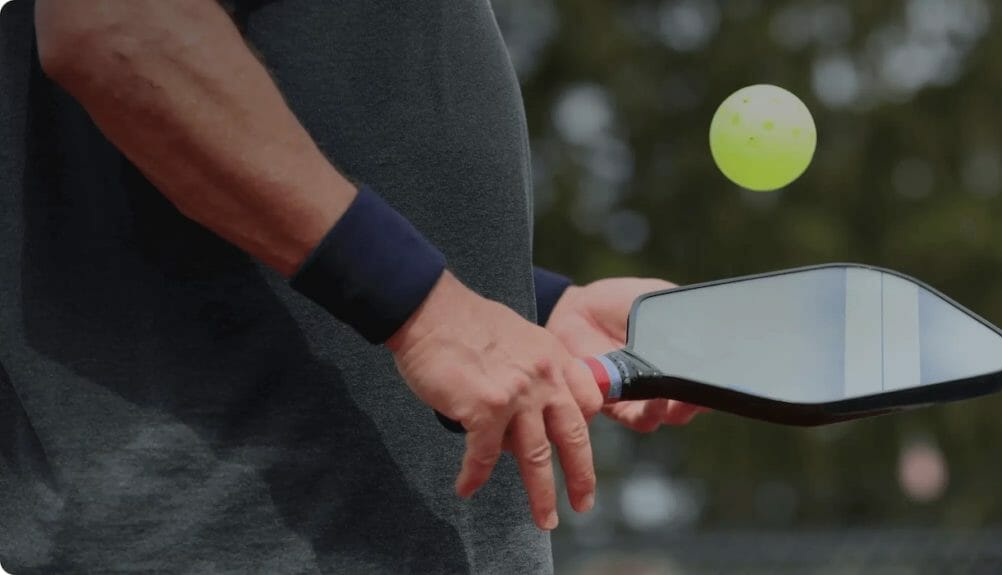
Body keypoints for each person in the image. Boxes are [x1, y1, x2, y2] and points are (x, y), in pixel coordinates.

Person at [0, 1, 704, 572]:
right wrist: (424, 310)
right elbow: (120, 28)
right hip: (225, 533)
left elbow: (329, 145)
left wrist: (534, 305)